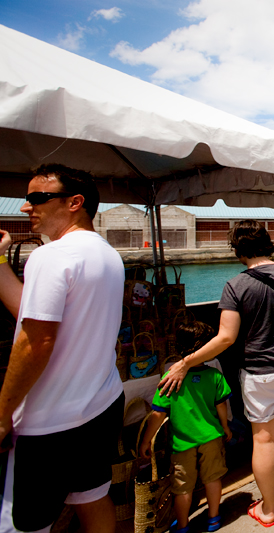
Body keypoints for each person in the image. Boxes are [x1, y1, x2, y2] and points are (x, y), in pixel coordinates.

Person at [159, 220, 274, 528]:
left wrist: (186, 361)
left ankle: (268, 510)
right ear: (268, 243)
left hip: (260, 372)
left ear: (237, 249)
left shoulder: (237, 285)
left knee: (266, 439)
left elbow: (226, 338)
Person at [0, 165, 124, 533]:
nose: (26, 207)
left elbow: (36, 340)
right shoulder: (107, 255)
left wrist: (2, 414)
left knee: (25, 525)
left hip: (48, 420)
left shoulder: (50, 256)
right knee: (92, 497)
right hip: (100, 404)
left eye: (37, 198)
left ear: (75, 202)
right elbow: (32, 311)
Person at [140, 321, 232, 533]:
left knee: (182, 488)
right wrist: (225, 427)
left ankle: (182, 526)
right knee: (213, 479)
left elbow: (157, 414)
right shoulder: (215, 376)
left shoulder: (170, 378)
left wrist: (146, 440)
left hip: (182, 443)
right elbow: (222, 406)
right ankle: (213, 518)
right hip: (211, 437)